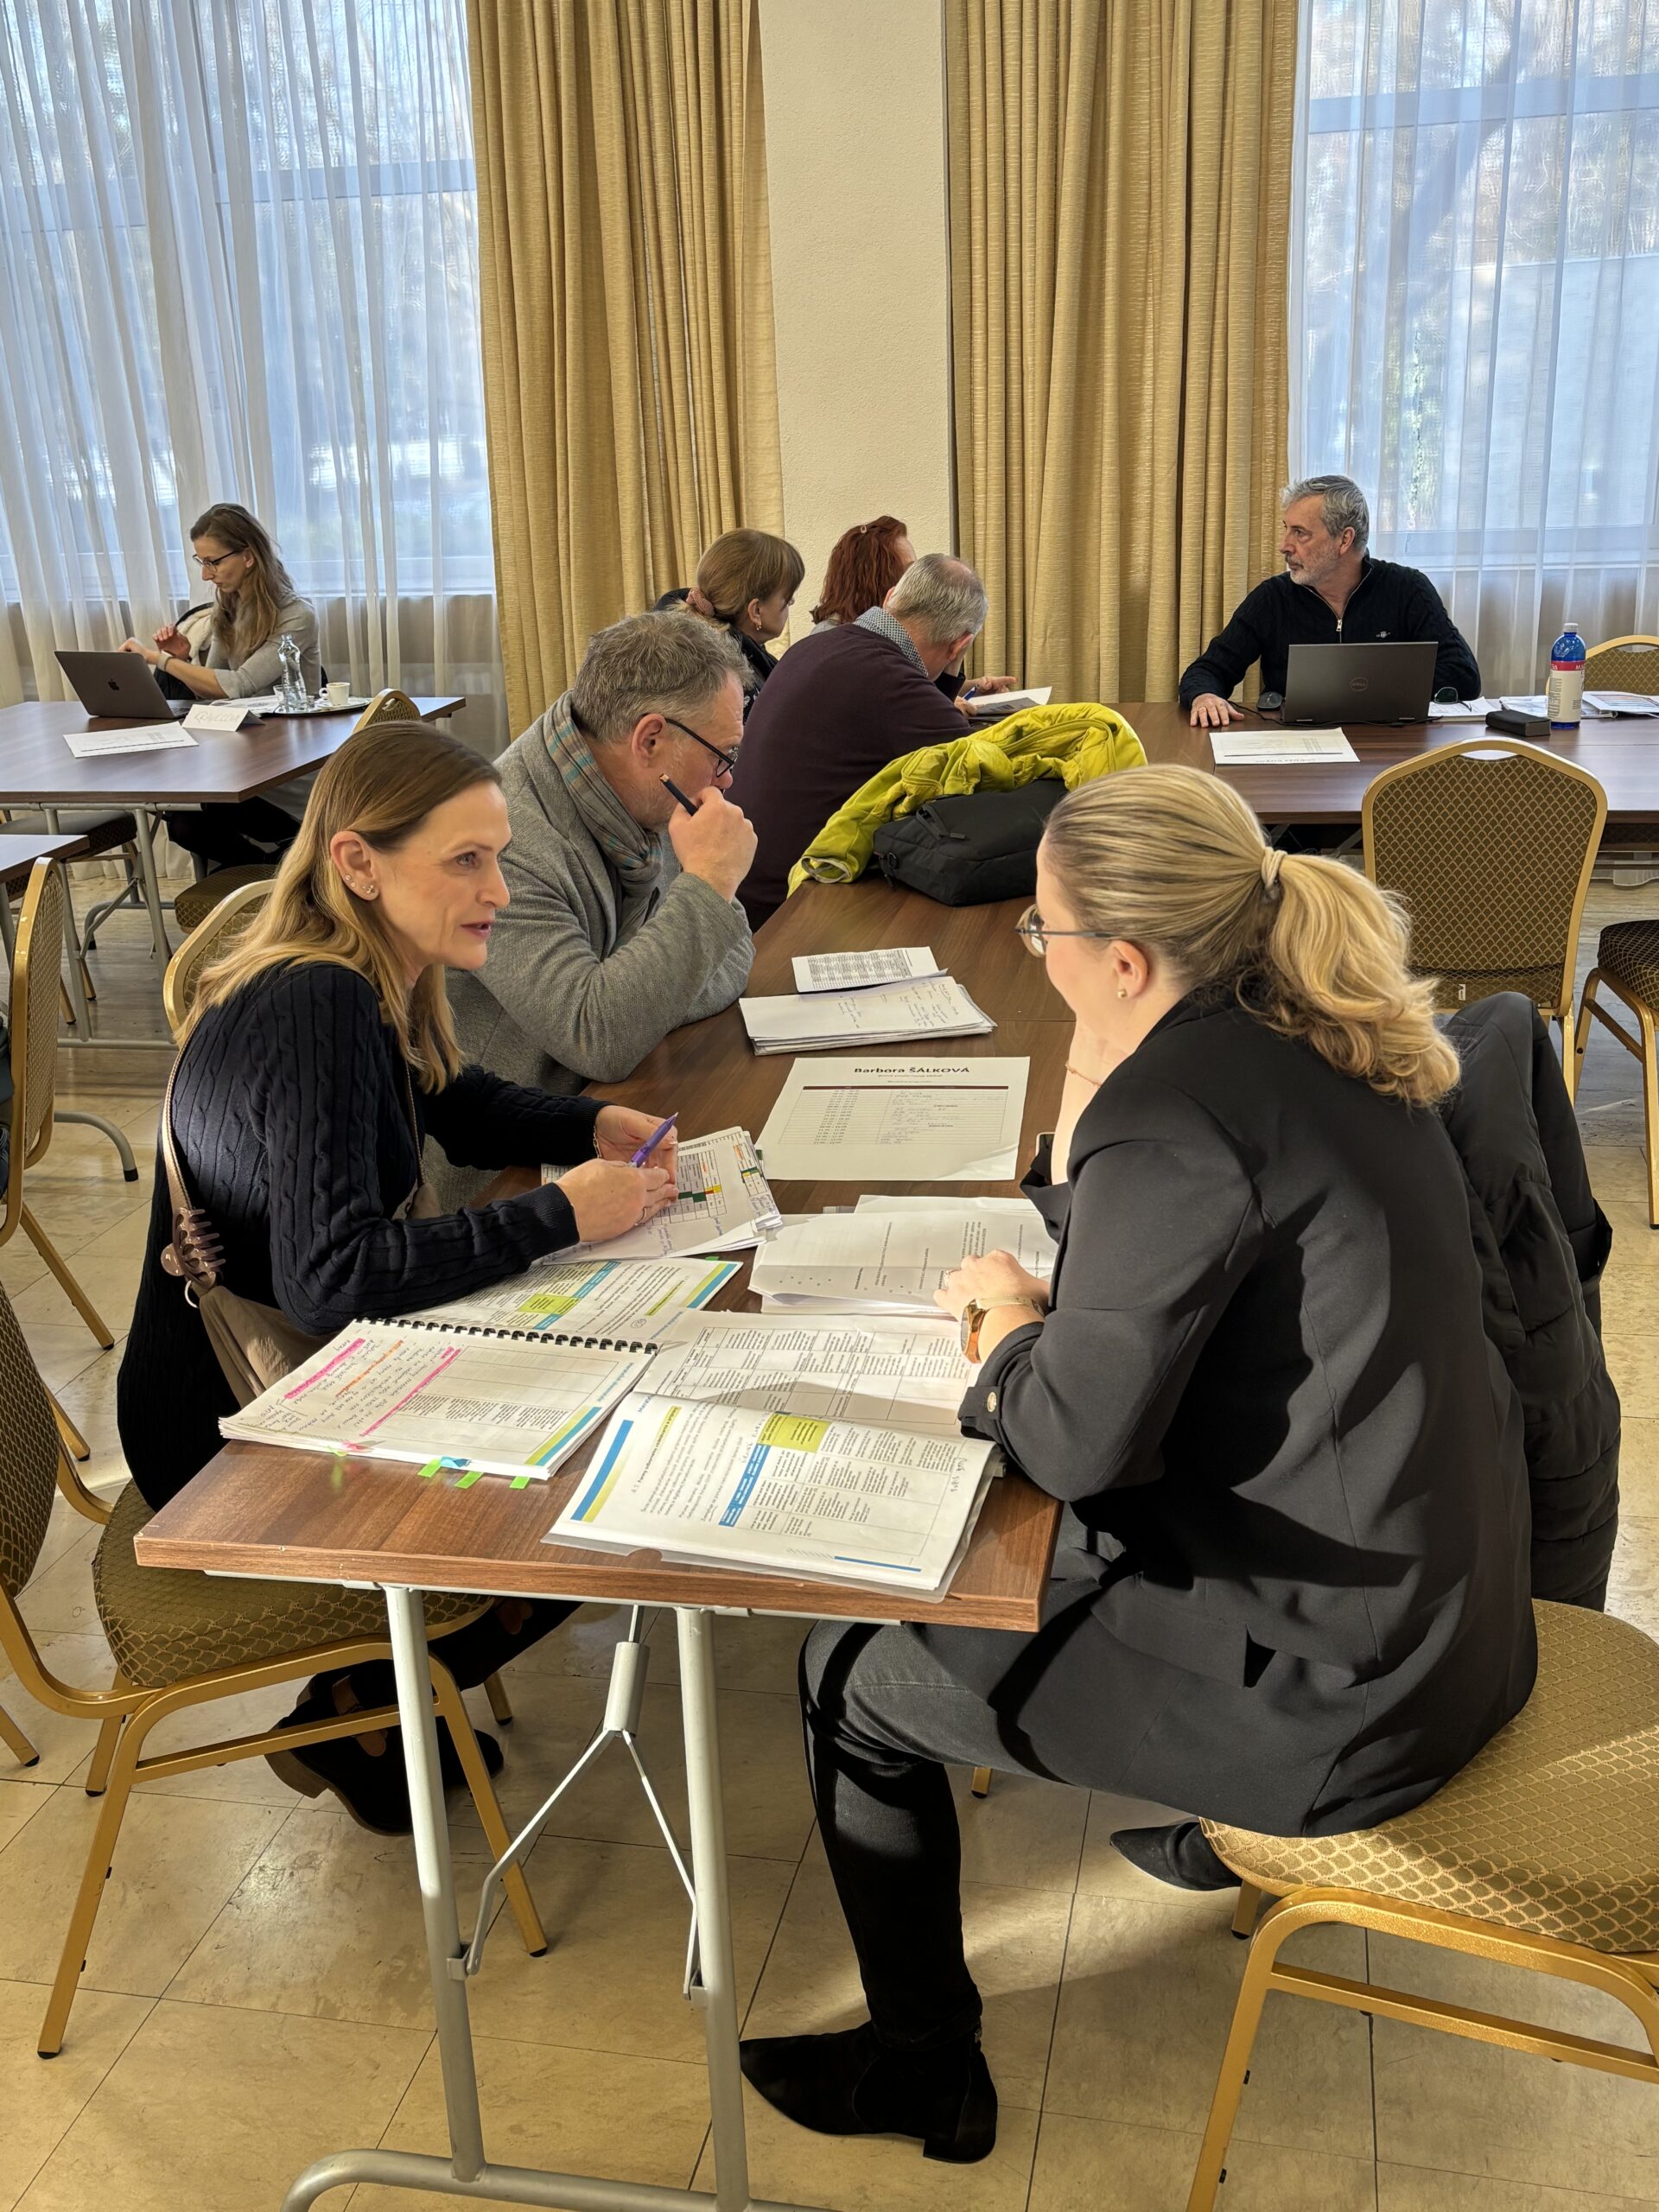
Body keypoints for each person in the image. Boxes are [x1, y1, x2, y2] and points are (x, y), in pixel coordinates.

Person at [738, 764, 1535, 2163]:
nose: (1035, 954)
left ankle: (923, 2070)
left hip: (1342, 1697)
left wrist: (1005, 1333)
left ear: (1121, 960)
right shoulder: (1326, 1030)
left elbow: (1073, 1447)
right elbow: (1226, 1270)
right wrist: (1073, 1225)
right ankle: (1201, 1829)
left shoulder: (1172, 1111)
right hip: (1451, 1622)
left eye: (1041, 930)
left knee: (846, 1674)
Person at [116, 720, 679, 1833]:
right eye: (465, 860)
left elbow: (449, 1100)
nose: (498, 890)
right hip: (223, 1430)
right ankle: (360, 1711)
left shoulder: (359, 971)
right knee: (587, 1509)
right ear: (358, 862)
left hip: (270, 1379)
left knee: (587, 1430)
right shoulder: (316, 1000)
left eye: (499, 856)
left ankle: (373, 1709)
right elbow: (333, 1276)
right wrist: (559, 1213)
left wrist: (585, 1123)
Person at [437, 612, 755, 1202]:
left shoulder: (640, 790)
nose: (727, 780)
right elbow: (601, 1036)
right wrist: (709, 884)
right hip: (499, 1177)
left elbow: (735, 954)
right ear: (650, 740)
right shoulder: (505, 842)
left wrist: (641, 998)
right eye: (723, 755)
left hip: (606, 1111)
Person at [728, 552, 993, 930]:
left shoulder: (817, 646)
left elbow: (932, 725)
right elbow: (980, 769)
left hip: (739, 887)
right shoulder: (890, 680)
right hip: (787, 908)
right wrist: (952, 668)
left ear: (889, 598)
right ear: (959, 645)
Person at [1181, 474, 1481, 727]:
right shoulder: (1273, 598)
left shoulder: (1407, 589)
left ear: (1344, 540)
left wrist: (1375, 689)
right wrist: (1204, 697)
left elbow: (1463, 676)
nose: (1284, 546)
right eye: (1286, 529)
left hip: (1390, 746)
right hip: (1295, 747)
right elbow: (1207, 671)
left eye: (1300, 533)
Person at [122, 502, 325, 867]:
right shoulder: (228, 610)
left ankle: (279, 873)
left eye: (213, 562)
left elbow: (239, 685)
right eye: (202, 563)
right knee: (183, 823)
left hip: (287, 772)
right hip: (243, 760)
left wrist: (158, 659)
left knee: (191, 816)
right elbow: (212, 692)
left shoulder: (297, 615)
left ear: (248, 556)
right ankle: (266, 877)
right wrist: (183, 660)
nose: (206, 575)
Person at [653, 528, 804, 707]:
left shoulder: (698, 658)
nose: (792, 601)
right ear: (756, 611)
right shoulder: (735, 686)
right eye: (787, 598)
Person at [809, 515, 916, 629]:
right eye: (909, 570)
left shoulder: (887, 630)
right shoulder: (833, 635)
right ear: (874, 581)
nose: (916, 579)